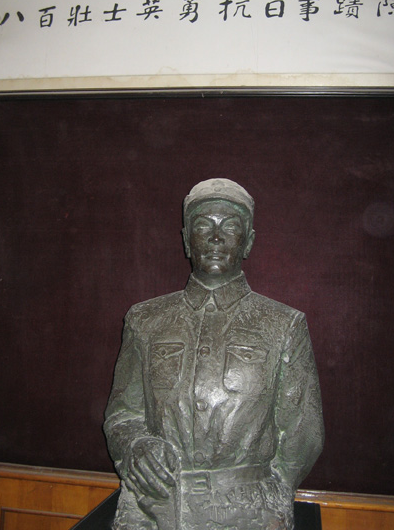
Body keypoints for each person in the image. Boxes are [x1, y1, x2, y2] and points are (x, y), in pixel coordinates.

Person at [104, 179, 324, 530]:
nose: (216, 238)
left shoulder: (283, 324)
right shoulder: (145, 320)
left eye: (230, 227)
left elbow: (303, 430)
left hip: (249, 511)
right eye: (203, 226)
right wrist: (134, 446)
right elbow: (123, 413)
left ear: (248, 242)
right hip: (153, 506)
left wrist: (275, 496)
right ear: (186, 240)